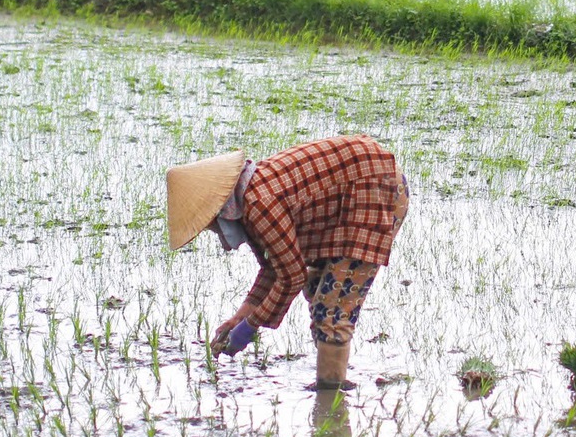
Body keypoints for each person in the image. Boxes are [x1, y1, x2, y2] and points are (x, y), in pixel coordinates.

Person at [166, 135, 408, 390]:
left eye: (209, 226)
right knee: (319, 291)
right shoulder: (248, 196)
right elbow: (273, 267)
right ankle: (330, 388)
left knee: (333, 306)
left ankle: (330, 397)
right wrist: (239, 317)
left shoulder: (259, 204)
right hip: (357, 188)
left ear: (218, 213)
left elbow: (292, 277)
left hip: (376, 186)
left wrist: (250, 326)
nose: (215, 232)